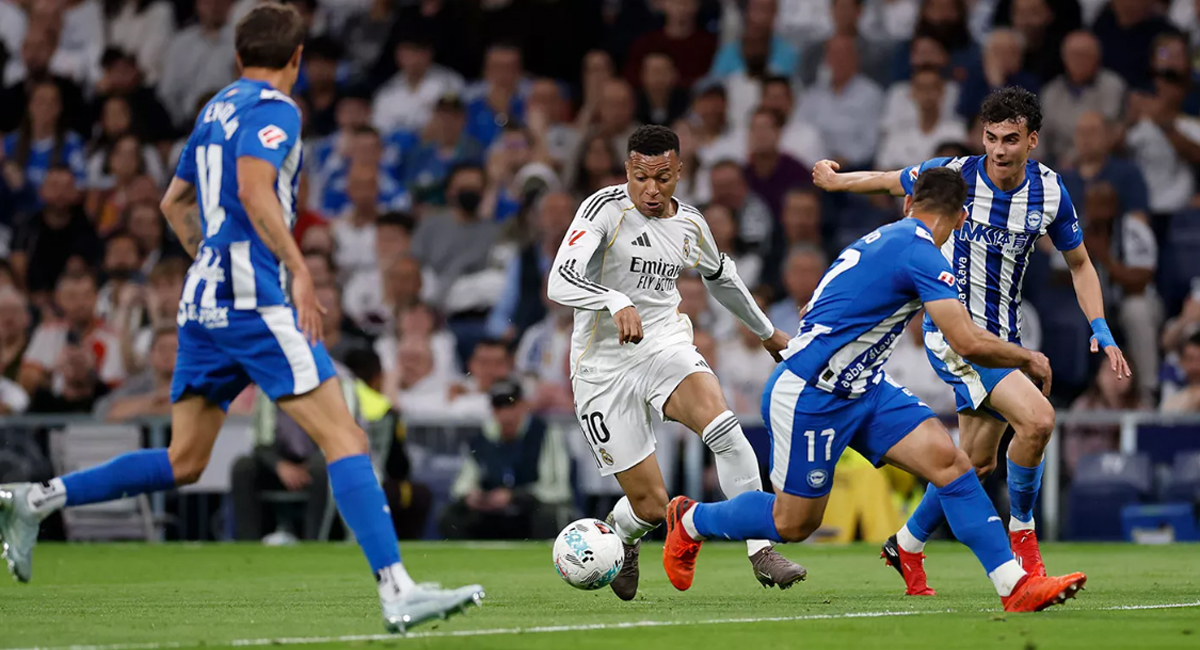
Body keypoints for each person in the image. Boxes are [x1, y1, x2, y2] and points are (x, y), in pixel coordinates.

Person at [0, 3, 482, 633]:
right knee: (347, 437)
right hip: (254, 302)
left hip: (201, 303)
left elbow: (175, 203)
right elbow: (255, 192)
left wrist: (211, 259)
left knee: (183, 461)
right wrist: (298, 269)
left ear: (237, 56)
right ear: (298, 58)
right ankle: (397, 590)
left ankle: (37, 501)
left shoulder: (214, 107)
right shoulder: (277, 108)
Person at [661, 167, 1088, 613]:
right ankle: (690, 519)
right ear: (962, 218)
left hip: (865, 389)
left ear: (908, 203)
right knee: (793, 523)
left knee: (952, 464)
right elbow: (966, 341)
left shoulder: (881, 238)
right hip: (812, 394)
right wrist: (1026, 356)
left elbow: (820, 301)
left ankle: (1013, 586)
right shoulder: (923, 254)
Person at [811, 86, 1130, 596]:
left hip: (1003, 335)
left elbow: (1080, 263)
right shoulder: (957, 175)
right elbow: (893, 181)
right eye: (991, 138)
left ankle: (907, 544)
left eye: (1010, 139)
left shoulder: (1049, 191)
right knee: (1039, 419)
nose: (999, 150)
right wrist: (834, 181)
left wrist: (1101, 328)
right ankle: (1023, 539)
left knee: (975, 462)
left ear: (1033, 140)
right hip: (956, 334)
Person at [547, 124, 806, 602]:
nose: (651, 189)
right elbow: (559, 282)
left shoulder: (690, 224)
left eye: (663, 177)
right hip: (602, 368)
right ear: (627, 169)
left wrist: (768, 333)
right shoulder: (603, 209)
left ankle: (760, 547)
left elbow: (721, 277)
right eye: (641, 177)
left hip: (664, 344)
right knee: (650, 505)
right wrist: (612, 300)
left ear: (680, 172)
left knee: (724, 428)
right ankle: (622, 536)